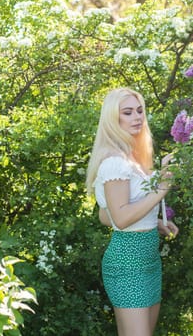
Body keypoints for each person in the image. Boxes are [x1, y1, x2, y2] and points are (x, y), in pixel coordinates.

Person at [86, 88, 179, 336]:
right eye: (127, 112)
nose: (137, 117)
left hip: (148, 258)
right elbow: (121, 217)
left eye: (139, 111)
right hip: (127, 262)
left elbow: (106, 216)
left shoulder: (131, 160)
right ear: (112, 119)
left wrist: (153, 221)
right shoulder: (115, 162)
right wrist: (160, 189)